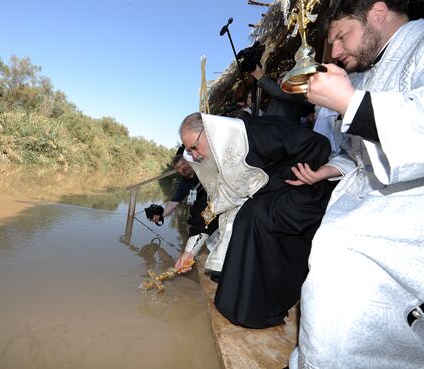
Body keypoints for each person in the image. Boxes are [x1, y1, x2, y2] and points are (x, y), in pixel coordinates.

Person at [287, 1, 424, 368]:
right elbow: (359, 156)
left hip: (411, 210)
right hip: (364, 204)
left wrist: (350, 104)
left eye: (342, 36)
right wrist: (326, 171)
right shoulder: (363, 75)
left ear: (377, 12)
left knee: (341, 272)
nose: (335, 51)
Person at [179, 112, 335, 328]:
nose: (194, 156)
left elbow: (318, 145)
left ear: (209, 132)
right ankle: (240, 298)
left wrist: (272, 183)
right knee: (241, 217)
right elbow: (210, 208)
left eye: (194, 147)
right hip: (265, 198)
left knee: (252, 217)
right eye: (189, 151)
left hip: (301, 190)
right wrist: (189, 252)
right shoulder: (216, 160)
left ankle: (266, 303)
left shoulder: (257, 131)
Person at [149, 154, 219, 272]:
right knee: (195, 219)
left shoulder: (204, 170)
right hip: (201, 214)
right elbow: (173, 203)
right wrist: (160, 216)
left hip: (216, 205)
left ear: (190, 162)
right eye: (178, 168)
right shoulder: (184, 184)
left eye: (183, 163)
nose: (182, 168)